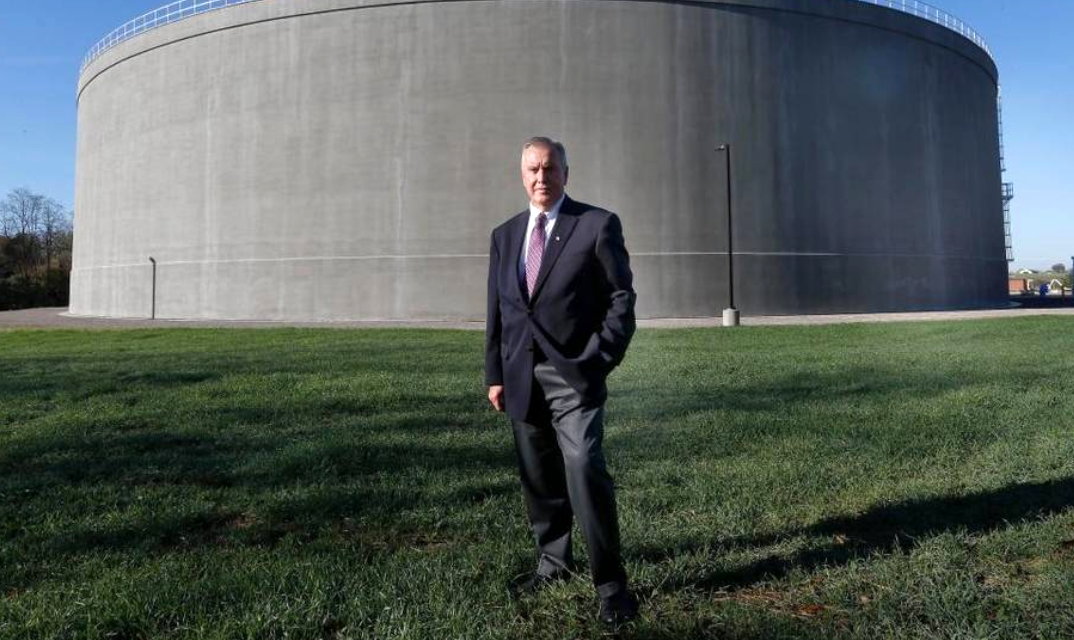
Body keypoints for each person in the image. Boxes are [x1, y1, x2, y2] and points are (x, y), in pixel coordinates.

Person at [484, 136, 638, 625]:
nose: (541, 178)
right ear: (521, 174)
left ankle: (611, 586)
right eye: (532, 169)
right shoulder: (505, 235)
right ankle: (553, 561)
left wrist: (600, 356)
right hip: (520, 377)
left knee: (584, 469)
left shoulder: (595, 225)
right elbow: (498, 311)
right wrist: (494, 373)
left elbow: (621, 297)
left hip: (575, 375)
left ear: (567, 173)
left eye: (550, 169)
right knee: (539, 478)